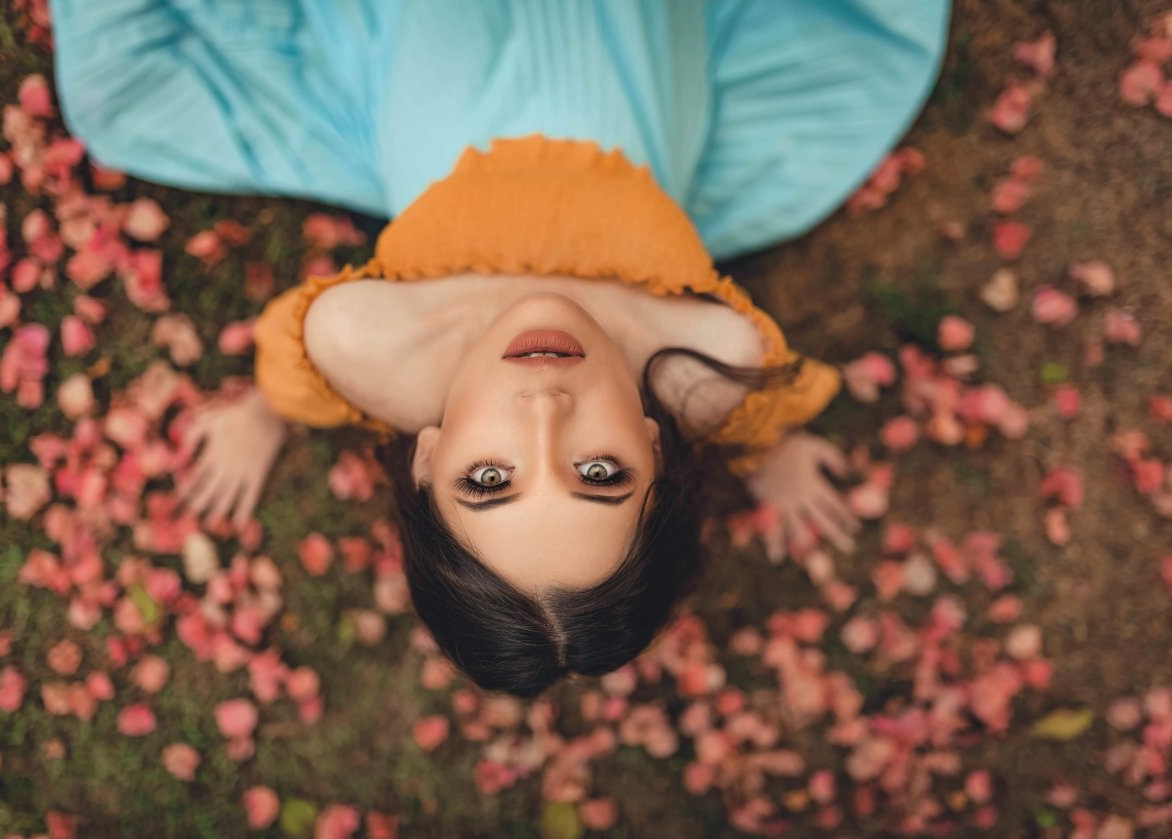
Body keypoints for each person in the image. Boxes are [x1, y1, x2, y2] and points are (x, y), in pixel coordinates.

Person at [48, 0, 951, 697]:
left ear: (430, 459)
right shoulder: (707, 349)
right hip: (634, 67)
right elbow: (753, 402)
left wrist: (263, 414)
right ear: (657, 443)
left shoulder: (364, 335)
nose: (545, 412)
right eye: (600, 471)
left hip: (431, 70)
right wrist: (775, 454)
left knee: (122, 101)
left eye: (489, 479)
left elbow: (300, 369)